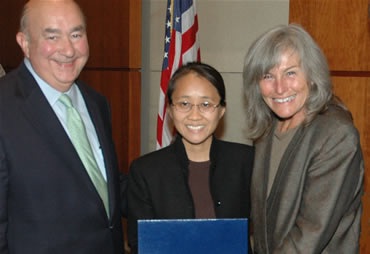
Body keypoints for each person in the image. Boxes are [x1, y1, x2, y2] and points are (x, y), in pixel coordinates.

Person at [0, 0, 127, 253]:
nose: (68, 50)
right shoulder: (4, 108)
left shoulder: (97, 103)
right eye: (52, 36)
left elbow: (101, 189)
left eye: (76, 34)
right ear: (24, 43)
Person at [243, 23, 364, 253]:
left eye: (290, 73)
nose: (280, 88)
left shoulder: (336, 134)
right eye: (268, 75)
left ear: (311, 74)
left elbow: (309, 236)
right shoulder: (267, 130)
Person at [127, 62, 254, 253]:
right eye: (184, 104)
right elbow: (140, 243)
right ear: (169, 109)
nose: (194, 116)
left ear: (221, 110)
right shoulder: (145, 171)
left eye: (206, 104)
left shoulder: (247, 162)